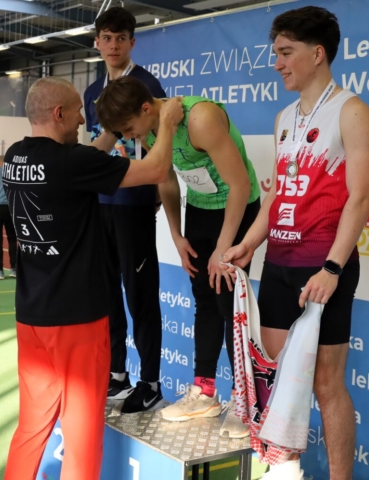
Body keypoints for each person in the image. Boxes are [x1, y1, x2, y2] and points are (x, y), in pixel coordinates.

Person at [222, 6, 369, 480]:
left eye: (286, 53)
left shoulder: (353, 112)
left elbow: (360, 198)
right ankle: (285, 471)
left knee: (326, 384)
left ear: (317, 53)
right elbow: (276, 196)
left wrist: (332, 269)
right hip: (279, 263)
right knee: (277, 381)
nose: (277, 63)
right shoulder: (284, 117)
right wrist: (250, 243)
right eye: (276, 53)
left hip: (324, 266)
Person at [2, 76, 182, 480]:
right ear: (59, 114)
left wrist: (113, 132)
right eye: (77, 112)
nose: (83, 119)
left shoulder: (15, 156)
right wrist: (168, 123)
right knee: (82, 437)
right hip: (77, 321)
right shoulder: (72, 163)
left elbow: (83, 161)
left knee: (31, 428)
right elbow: (156, 169)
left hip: (31, 318)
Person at [97, 76, 261, 438]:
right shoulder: (154, 128)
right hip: (200, 209)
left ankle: (244, 401)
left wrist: (223, 248)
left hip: (236, 208)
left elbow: (240, 185)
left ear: (146, 108)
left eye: (129, 129)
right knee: (204, 299)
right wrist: (176, 233)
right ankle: (204, 391)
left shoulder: (200, 118)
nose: (128, 138)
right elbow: (167, 179)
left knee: (228, 303)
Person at [84, 6, 167, 413]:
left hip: (134, 205)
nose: (113, 45)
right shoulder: (91, 92)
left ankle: (150, 382)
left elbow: (162, 148)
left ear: (132, 42)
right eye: (107, 37)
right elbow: (91, 149)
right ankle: (117, 373)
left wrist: (156, 196)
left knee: (140, 296)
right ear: (97, 42)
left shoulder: (148, 86)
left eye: (121, 38)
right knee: (106, 296)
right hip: (99, 205)